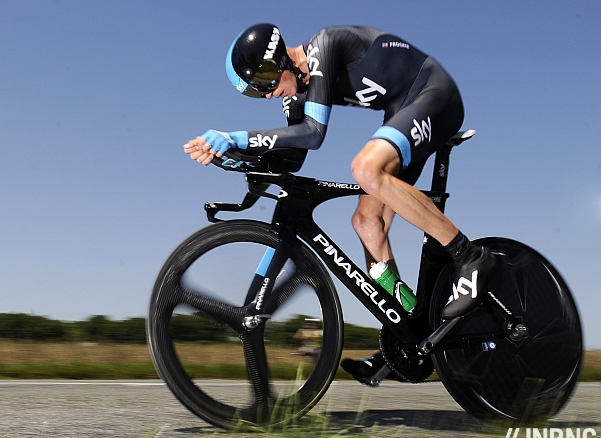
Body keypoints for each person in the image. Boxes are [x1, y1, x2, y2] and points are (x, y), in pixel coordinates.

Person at [183, 23, 497, 384]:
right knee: (366, 221)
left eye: (265, 81)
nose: (266, 94)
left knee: (366, 167)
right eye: (256, 92)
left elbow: (313, 134)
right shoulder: (294, 95)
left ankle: (470, 257)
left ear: (280, 57)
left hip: (433, 92)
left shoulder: (324, 46)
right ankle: (411, 329)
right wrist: (232, 156)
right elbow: (292, 157)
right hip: (400, 110)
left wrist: (233, 135)